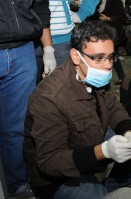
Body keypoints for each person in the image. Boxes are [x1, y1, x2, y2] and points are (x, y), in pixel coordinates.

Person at [24, 20, 131, 199]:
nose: (107, 65)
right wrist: (103, 151)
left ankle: (114, 187)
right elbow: (49, 161)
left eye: (111, 57)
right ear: (76, 56)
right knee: (99, 196)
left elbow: (114, 109)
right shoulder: (49, 97)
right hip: (55, 176)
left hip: (89, 136)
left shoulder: (94, 74)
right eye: (98, 58)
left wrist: (128, 133)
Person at [0, 0, 50, 197]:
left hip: (23, 49)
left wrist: (49, 49)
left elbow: (40, 6)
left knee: (18, 126)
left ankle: (17, 184)